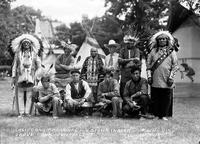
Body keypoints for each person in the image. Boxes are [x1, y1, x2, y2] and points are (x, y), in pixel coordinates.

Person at [146, 31, 179, 120]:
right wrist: (149, 76)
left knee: (166, 97)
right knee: (156, 97)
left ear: (167, 40)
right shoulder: (153, 51)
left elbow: (175, 66)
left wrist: (171, 77)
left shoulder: (172, 52)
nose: (162, 40)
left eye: (164, 39)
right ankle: (156, 114)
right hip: (155, 78)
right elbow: (148, 65)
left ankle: (164, 115)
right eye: (160, 39)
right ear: (157, 41)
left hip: (167, 78)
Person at [11, 34, 41, 116]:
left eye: (28, 43)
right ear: (22, 45)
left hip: (31, 77)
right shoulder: (18, 54)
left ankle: (27, 112)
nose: (26, 45)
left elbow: (39, 66)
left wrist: (36, 76)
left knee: (29, 95)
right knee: (20, 95)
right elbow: (14, 66)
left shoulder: (34, 54)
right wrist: (13, 76)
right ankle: (21, 112)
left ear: (30, 44)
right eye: (24, 44)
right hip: (20, 76)